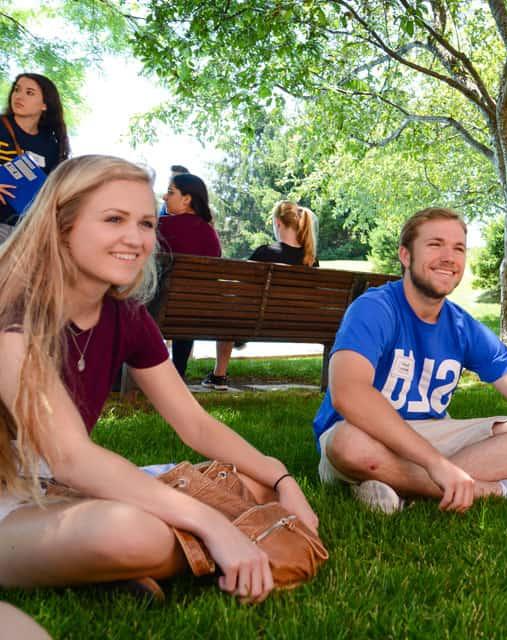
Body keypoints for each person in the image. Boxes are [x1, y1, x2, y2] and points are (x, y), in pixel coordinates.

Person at [0, 155, 318, 603]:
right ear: (61, 225)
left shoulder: (125, 314)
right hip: (12, 499)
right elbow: (72, 458)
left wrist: (282, 478)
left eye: (147, 223)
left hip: (70, 488)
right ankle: (130, 558)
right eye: (114, 219)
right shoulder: (14, 313)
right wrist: (212, 523)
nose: (135, 239)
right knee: (132, 534)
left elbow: (196, 425)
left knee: (255, 482)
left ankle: (110, 566)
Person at [313, 207, 507, 514]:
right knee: (347, 443)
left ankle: (396, 488)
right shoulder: (374, 308)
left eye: (458, 248)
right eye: (435, 245)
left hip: (432, 433)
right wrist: (436, 464)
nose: (449, 257)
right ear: (405, 256)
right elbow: (348, 393)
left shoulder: (461, 326)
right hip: (367, 435)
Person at [202, 200, 318, 390]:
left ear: (278, 223)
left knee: (227, 316)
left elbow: (241, 288)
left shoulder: (264, 253)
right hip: (298, 324)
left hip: (258, 321)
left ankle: (219, 376)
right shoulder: (311, 260)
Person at [157, 173, 221, 378]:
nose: (164, 197)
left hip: (157, 308)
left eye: (170, 192)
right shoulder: (210, 234)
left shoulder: (160, 227)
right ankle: (178, 372)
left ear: (187, 199)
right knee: (185, 304)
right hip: (192, 313)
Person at [0, 73, 70, 244]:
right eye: (17, 90)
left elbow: (50, 189)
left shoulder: (51, 145)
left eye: (29, 93)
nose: (19, 96)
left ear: (45, 105)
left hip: (22, 229)